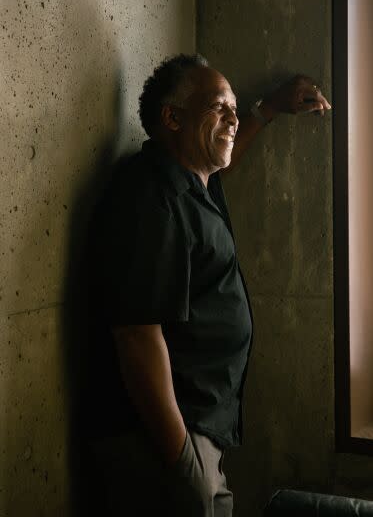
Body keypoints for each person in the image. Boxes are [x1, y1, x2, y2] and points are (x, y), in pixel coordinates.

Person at [84, 54, 331, 516]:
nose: (234, 118)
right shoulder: (153, 197)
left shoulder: (191, 180)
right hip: (162, 443)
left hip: (192, 435)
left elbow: (225, 156)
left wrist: (269, 109)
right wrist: (182, 461)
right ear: (173, 118)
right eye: (220, 107)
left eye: (234, 108)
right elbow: (137, 335)